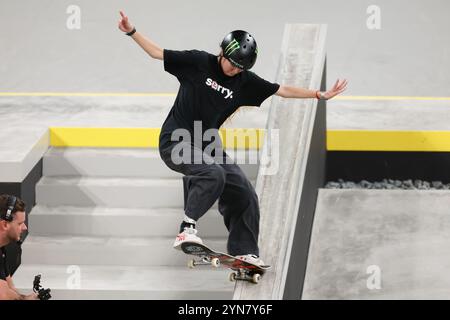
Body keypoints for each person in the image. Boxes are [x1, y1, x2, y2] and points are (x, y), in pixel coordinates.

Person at [118, 11, 347, 266]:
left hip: (208, 145)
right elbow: (157, 53)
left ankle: (245, 251)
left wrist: (318, 94)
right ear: (222, 53)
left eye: (241, 67)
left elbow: (282, 89)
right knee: (213, 173)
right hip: (176, 140)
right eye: (232, 63)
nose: (235, 69)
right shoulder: (197, 62)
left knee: (244, 191)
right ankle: (187, 228)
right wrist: (131, 31)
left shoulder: (245, 81)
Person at [0, 194, 38, 300]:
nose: (25, 227)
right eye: (20, 223)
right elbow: (3, 294)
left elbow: (10, 288)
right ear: (5, 225)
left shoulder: (1, 249)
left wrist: (26, 297)